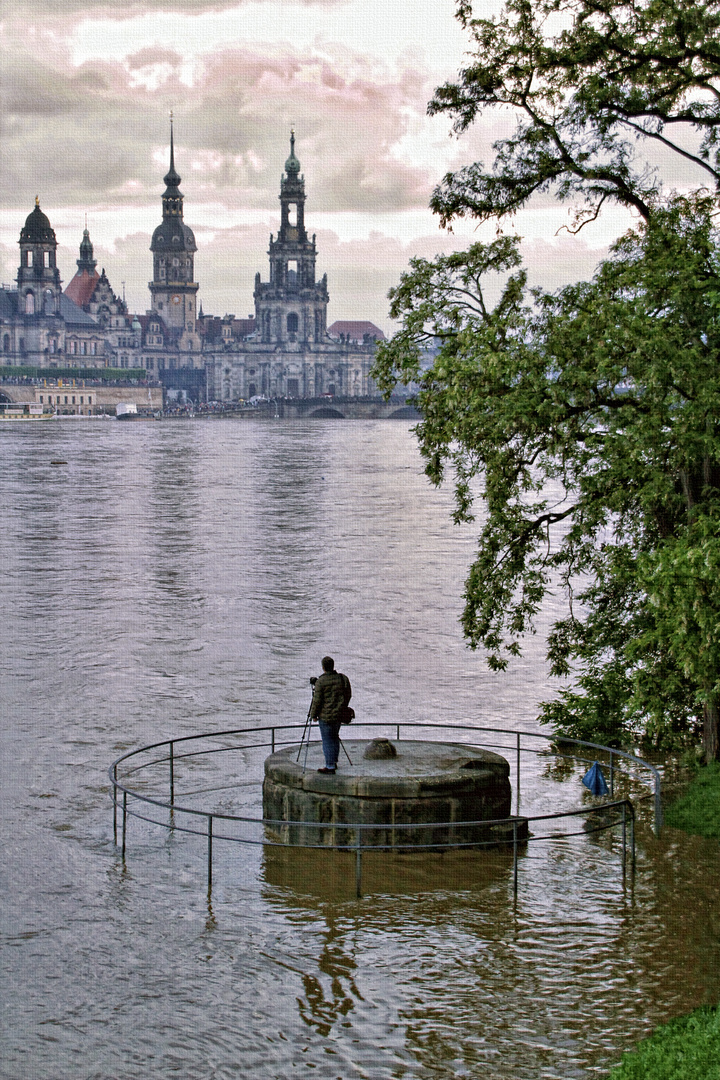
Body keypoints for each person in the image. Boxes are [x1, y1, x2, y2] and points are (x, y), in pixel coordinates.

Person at [310, 656, 352, 773]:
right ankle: (334, 762)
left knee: (328, 740)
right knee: (335, 737)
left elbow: (316, 701)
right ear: (333, 666)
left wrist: (313, 715)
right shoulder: (342, 678)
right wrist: (342, 706)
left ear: (323, 667)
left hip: (326, 716)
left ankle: (330, 766)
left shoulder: (321, 682)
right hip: (339, 715)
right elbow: (348, 694)